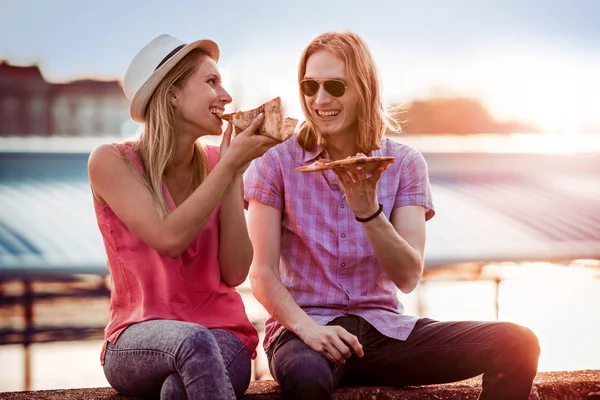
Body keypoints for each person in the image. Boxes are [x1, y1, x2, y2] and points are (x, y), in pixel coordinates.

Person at [244, 31, 540, 400]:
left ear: (363, 88)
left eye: (335, 86)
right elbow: (261, 274)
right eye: (309, 86)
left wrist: (369, 212)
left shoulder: (405, 163)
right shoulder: (274, 163)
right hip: (305, 332)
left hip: (385, 332)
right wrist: (308, 329)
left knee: (517, 342)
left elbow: (407, 276)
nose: (320, 100)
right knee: (305, 375)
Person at [88, 34, 278, 399]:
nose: (226, 96)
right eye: (211, 82)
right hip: (136, 336)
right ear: (173, 93)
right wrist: (229, 167)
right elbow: (169, 238)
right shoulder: (111, 162)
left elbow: (235, 272)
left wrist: (232, 174)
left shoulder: (218, 163)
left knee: (179, 389)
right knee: (194, 340)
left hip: (224, 334)